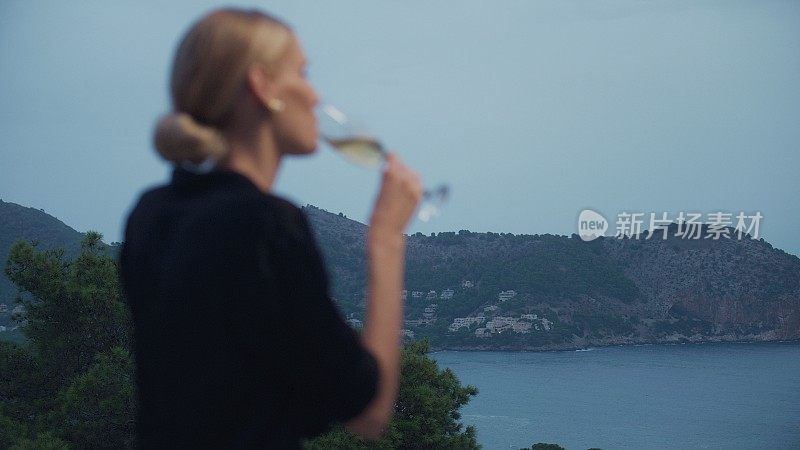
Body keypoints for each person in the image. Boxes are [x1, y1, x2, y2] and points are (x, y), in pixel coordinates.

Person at [119, 8, 422, 449]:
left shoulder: (151, 213)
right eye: (302, 72)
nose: (315, 96)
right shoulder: (265, 224)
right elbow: (367, 411)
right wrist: (387, 237)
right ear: (262, 87)